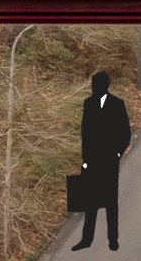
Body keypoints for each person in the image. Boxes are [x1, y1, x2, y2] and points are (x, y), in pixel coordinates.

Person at [78, 70, 132, 251]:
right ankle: (86, 239)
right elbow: (85, 134)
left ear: (104, 86)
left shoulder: (117, 104)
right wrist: (84, 159)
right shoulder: (88, 103)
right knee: (90, 201)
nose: (93, 88)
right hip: (92, 161)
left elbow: (125, 132)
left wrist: (117, 153)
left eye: (96, 85)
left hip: (109, 161)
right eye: (92, 85)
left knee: (110, 202)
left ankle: (113, 239)